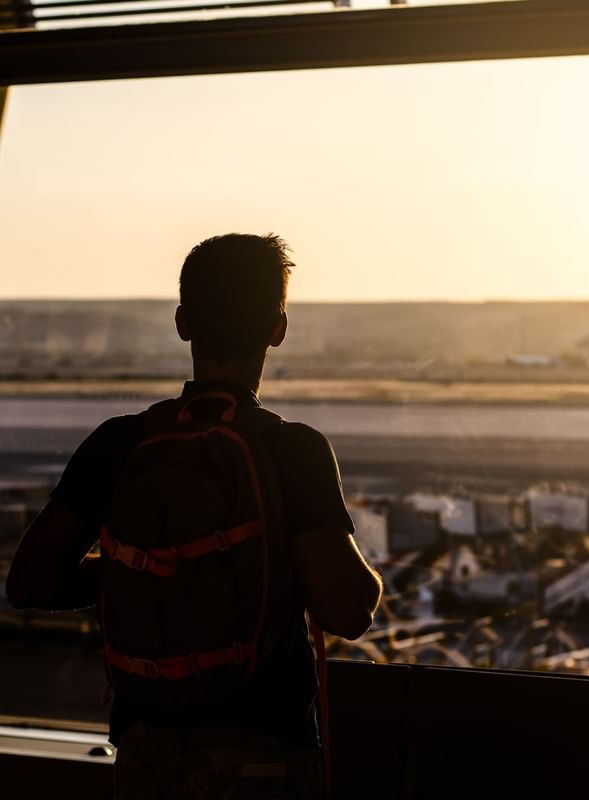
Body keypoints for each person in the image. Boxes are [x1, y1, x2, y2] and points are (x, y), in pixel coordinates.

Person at [6, 233, 383, 799]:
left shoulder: (121, 442)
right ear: (278, 328)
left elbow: (30, 581)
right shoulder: (293, 450)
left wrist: (145, 566)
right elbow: (346, 609)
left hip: (146, 754)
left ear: (183, 323)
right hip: (263, 751)